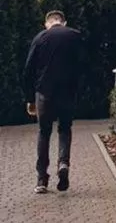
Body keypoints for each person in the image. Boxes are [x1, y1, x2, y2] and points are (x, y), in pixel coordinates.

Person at [22, 10, 82, 194]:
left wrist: (29, 98)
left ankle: (41, 179)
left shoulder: (40, 37)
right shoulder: (75, 36)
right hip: (67, 92)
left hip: (44, 93)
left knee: (44, 132)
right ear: (63, 23)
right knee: (64, 129)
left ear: (47, 23)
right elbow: (84, 64)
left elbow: (28, 69)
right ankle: (63, 163)